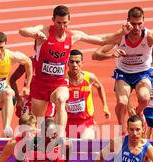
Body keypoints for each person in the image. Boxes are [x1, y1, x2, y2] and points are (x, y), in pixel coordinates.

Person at [18, 5, 132, 133]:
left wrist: (121, 32)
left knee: (61, 99)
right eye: (59, 23)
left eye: (65, 23)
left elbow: (101, 40)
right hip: (40, 84)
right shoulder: (44, 30)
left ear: (69, 21)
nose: (62, 26)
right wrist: (34, 33)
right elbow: (22, 30)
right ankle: (39, 146)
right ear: (53, 20)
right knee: (38, 124)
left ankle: (60, 137)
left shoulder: (73, 36)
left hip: (58, 84)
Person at [92, 6, 153, 132]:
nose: (136, 28)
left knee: (145, 98)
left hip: (143, 73)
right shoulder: (120, 36)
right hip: (123, 73)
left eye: (139, 24)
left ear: (143, 21)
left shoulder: (150, 36)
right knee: (122, 102)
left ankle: (137, 113)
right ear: (127, 21)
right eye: (133, 24)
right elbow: (96, 54)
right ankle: (122, 128)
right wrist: (111, 55)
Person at [66, 49, 110, 139]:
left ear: (82, 63)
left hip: (86, 122)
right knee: (67, 150)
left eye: (77, 62)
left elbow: (100, 86)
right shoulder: (63, 79)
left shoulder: (89, 77)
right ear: (67, 63)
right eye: (71, 62)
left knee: (84, 144)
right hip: (67, 122)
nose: (74, 65)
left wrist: (105, 105)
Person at [9, 41, 56, 120]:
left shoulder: (53, 63)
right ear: (35, 46)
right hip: (29, 102)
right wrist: (18, 98)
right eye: (39, 45)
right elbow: (12, 79)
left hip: (46, 100)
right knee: (28, 126)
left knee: (47, 126)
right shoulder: (27, 62)